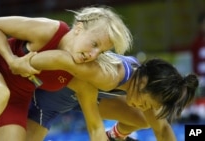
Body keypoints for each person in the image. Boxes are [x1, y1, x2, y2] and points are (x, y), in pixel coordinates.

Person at [0, 6, 132, 141]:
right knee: (0, 92)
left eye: (101, 52)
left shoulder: (79, 74)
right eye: (94, 44)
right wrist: (11, 59)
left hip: (17, 99)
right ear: (79, 28)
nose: (93, 55)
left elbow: (95, 128)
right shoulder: (50, 30)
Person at [26, 54, 199, 141]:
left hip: (79, 99)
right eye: (145, 103)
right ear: (143, 84)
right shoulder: (111, 74)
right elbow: (66, 63)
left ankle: (115, 136)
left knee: (144, 120)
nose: (142, 107)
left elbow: (163, 130)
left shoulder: (145, 82)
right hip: (47, 101)